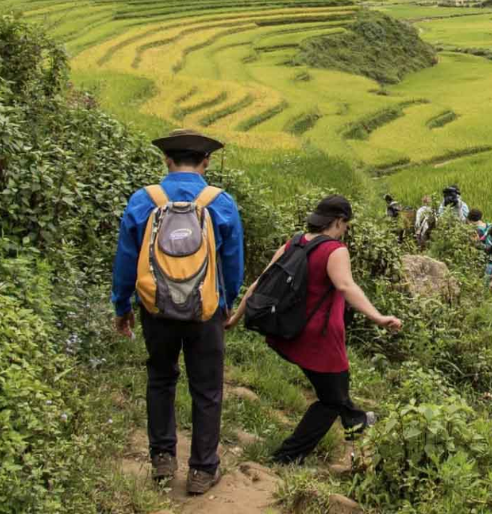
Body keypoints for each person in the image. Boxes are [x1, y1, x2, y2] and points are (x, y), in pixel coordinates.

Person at [111, 129, 244, 495]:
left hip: (156, 308)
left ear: (167, 160)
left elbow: (125, 259)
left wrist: (122, 306)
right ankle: (202, 470)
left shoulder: (144, 200)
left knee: (160, 378)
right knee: (207, 388)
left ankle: (162, 459)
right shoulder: (221, 203)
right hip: (206, 310)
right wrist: (227, 302)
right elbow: (233, 264)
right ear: (206, 162)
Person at [227, 195, 402, 464]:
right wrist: (378, 317)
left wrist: (234, 318)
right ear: (339, 221)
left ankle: (356, 419)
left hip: (289, 333)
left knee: (335, 390)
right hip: (320, 340)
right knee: (331, 399)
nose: (345, 230)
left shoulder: (293, 242)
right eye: (346, 224)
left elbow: (260, 283)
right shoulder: (335, 249)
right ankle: (286, 457)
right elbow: (346, 286)